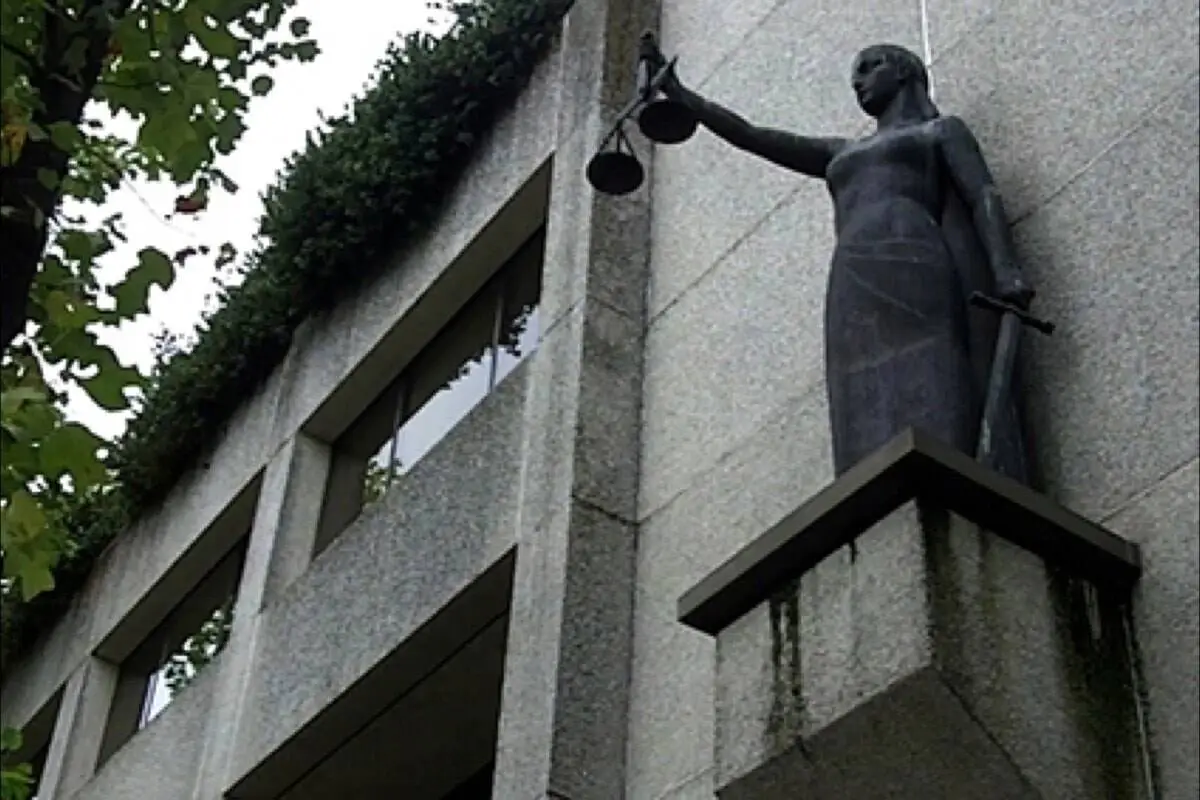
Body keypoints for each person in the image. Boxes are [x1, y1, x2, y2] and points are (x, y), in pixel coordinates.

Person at [657, 43, 1034, 481]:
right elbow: (753, 135)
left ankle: (951, 476)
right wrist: (682, 96)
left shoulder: (939, 132)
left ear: (904, 72)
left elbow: (982, 195)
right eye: (855, 74)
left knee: (935, 377)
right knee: (859, 394)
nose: (857, 82)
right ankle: (875, 495)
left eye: (868, 68)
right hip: (854, 279)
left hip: (916, 264)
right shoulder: (841, 152)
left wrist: (1006, 268)